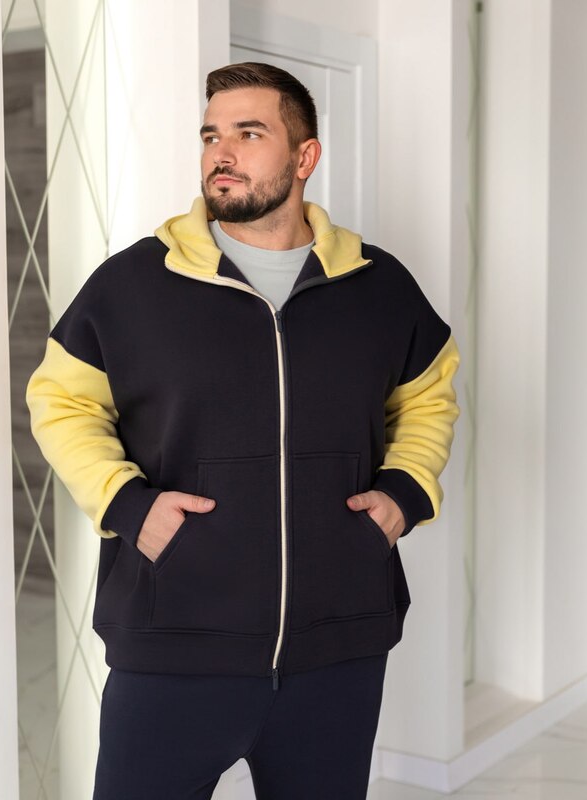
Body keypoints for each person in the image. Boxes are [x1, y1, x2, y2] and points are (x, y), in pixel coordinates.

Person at [26, 61, 460, 800]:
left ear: (305, 155)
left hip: (338, 648)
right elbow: (60, 400)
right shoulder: (134, 284)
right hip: (174, 642)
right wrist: (128, 505)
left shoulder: (377, 285)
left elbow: (428, 394)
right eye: (210, 136)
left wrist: (404, 491)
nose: (220, 153)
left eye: (249, 133)